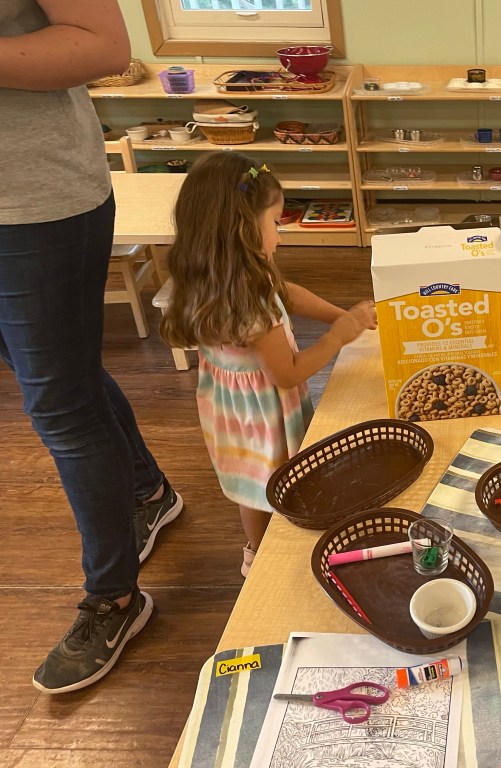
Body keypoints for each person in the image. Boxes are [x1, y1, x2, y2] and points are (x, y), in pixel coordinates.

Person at [0, 0, 183, 694]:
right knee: (49, 372)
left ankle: (114, 595)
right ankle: (147, 490)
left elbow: (105, 46)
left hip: (30, 199)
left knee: (58, 402)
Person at [161, 152, 377, 576]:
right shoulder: (249, 299)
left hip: (229, 408)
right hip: (262, 412)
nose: (279, 235)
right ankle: (262, 559)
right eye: (276, 223)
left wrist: (342, 316)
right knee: (270, 481)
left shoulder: (216, 271)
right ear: (243, 227)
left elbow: (287, 292)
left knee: (252, 479)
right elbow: (288, 373)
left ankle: (257, 548)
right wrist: (338, 336)